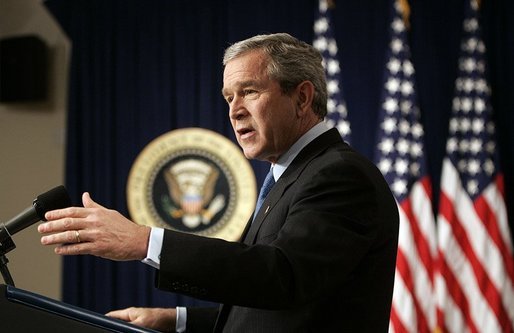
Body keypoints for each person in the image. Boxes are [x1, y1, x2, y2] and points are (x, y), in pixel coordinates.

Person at [39, 33, 399, 333]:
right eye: (229, 97)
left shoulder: (338, 175)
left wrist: (144, 241)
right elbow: (275, 313)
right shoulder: (290, 176)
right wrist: (175, 320)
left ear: (302, 98)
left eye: (250, 92)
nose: (234, 110)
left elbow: (282, 277)